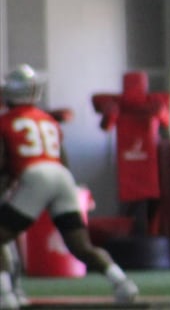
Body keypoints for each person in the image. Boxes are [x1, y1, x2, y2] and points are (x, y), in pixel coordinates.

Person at [0, 64, 138, 309]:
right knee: (81, 246)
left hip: (34, 175)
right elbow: (62, 160)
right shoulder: (49, 120)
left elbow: (3, 161)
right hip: (62, 177)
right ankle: (122, 283)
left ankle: (6, 295)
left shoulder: (5, 122)